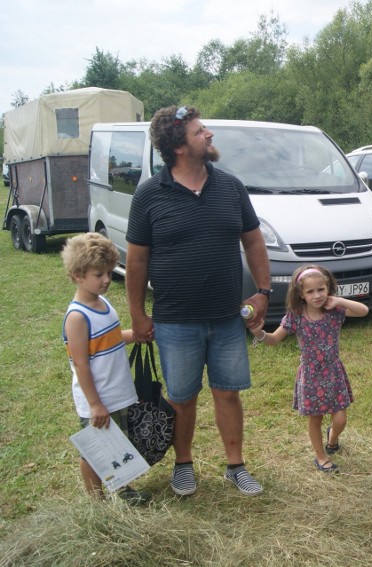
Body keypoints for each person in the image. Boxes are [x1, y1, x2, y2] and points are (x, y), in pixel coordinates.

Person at [125, 105, 271, 496]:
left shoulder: (230, 186)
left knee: (228, 392)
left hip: (227, 317)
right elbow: (137, 259)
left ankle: (235, 466)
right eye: (199, 131)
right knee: (182, 397)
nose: (208, 135)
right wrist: (138, 315)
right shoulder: (149, 195)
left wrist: (264, 290)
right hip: (175, 320)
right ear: (178, 146)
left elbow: (253, 239)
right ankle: (183, 464)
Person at [249, 264, 368, 473]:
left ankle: (332, 438)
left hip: (333, 372)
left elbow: (363, 311)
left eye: (321, 289)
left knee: (340, 418)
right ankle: (321, 457)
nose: (317, 295)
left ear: (328, 287)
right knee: (316, 418)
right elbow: (275, 338)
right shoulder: (295, 316)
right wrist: (260, 334)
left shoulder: (335, 312)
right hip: (311, 375)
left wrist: (338, 300)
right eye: (310, 291)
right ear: (301, 294)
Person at [61, 232, 150, 505]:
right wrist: (95, 405)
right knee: (95, 450)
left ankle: (122, 489)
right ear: (77, 275)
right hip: (98, 399)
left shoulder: (103, 303)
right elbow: (80, 364)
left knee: (118, 443)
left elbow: (109, 339)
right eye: (98, 274)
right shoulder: (77, 317)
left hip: (117, 391)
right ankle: (96, 501)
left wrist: (135, 334)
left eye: (109, 273)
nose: (107, 280)